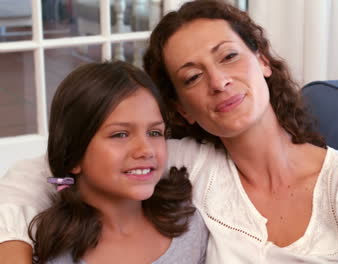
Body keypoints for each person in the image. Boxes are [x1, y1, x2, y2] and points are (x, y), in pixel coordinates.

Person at [1, 1, 338, 263]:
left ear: (262, 60)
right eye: (190, 77)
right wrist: (14, 249)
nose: (219, 81)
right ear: (182, 110)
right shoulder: (187, 166)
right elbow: (40, 170)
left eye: (228, 56)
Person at [24, 61, 208, 264]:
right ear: (74, 153)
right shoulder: (49, 253)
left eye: (155, 132)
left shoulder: (189, 225)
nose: (146, 150)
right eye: (120, 134)